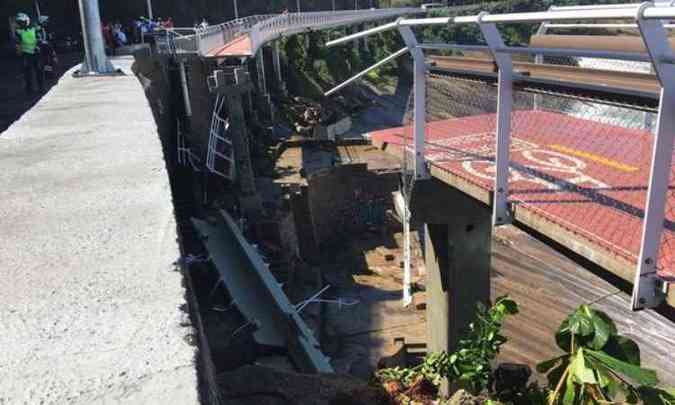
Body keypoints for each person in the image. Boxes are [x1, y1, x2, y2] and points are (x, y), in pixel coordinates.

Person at [13, 12, 43, 94]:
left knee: (39, 70)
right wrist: (19, 50)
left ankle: (41, 88)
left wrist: (39, 44)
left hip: (36, 52)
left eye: (22, 22)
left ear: (27, 21)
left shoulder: (34, 28)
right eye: (19, 22)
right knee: (27, 72)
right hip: (26, 54)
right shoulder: (18, 31)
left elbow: (39, 37)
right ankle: (29, 89)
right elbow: (17, 42)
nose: (21, 24)